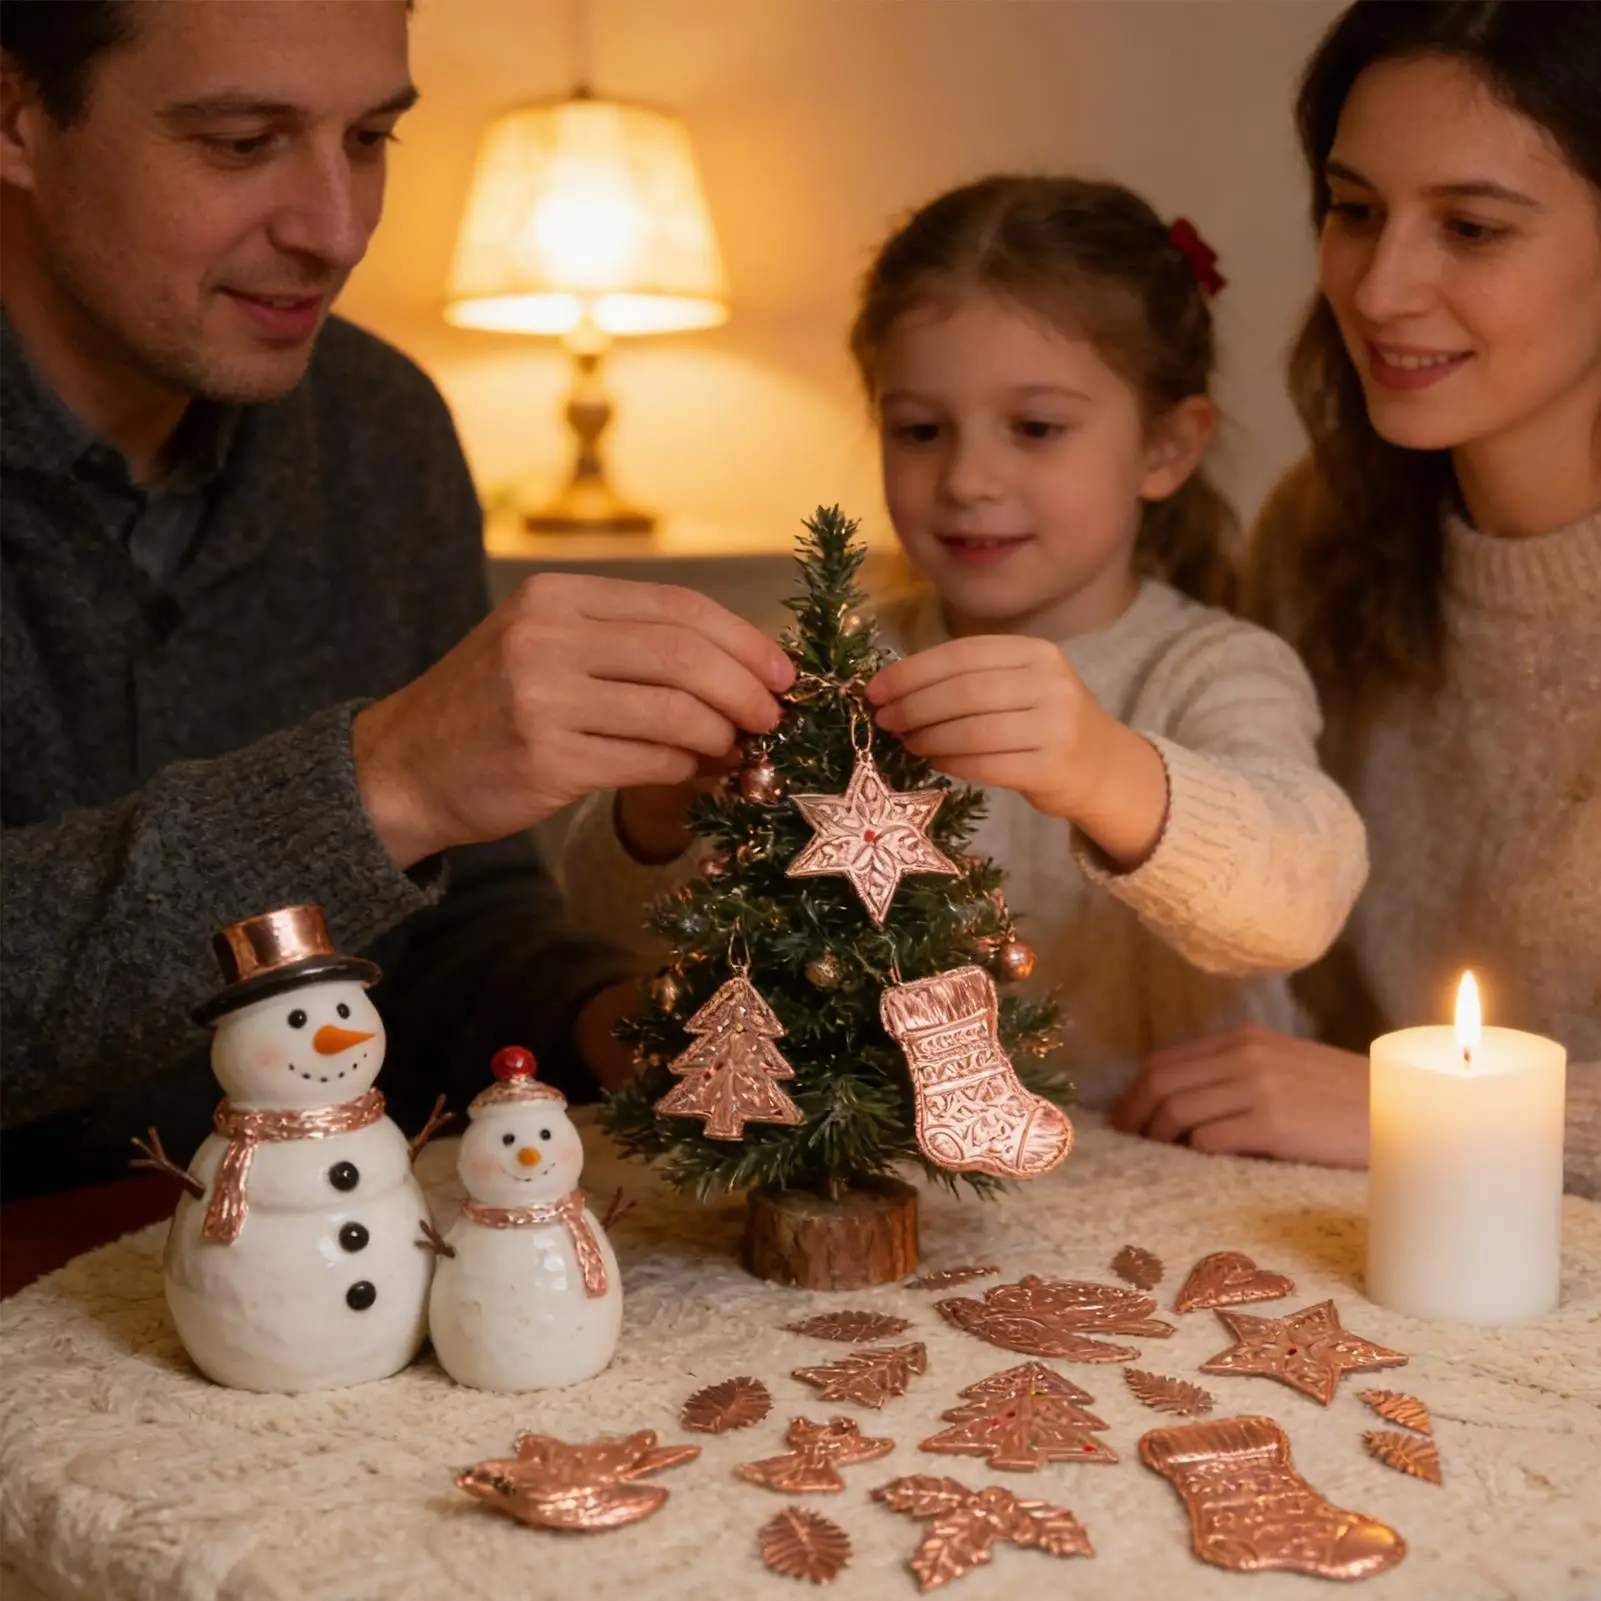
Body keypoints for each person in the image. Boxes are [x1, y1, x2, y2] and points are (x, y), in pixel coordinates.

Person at [0, 0, 793, 1198]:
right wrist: (384, 780)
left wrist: (620, 1024)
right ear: (17, 117)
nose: (335, 230)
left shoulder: (378, 427)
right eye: (239, 142)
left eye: (369, 138)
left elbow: (443, 938)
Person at [567, 173, 1369, 1115]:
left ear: (1166, 448)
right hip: (907, 1195)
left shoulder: (1213, 669)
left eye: (1034, 427)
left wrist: (1102, 767)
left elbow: (1303, 896)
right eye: (919, 430)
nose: (969, 478)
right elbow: (615, 926)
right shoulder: (832, 670)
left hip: (1182, 1176)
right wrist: (658, 812)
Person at [1111, 0, 1601, 1197]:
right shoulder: (1317, 530)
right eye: (1354, 211)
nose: (1378, 290)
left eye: (1471, 229)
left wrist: (1418, 1109)